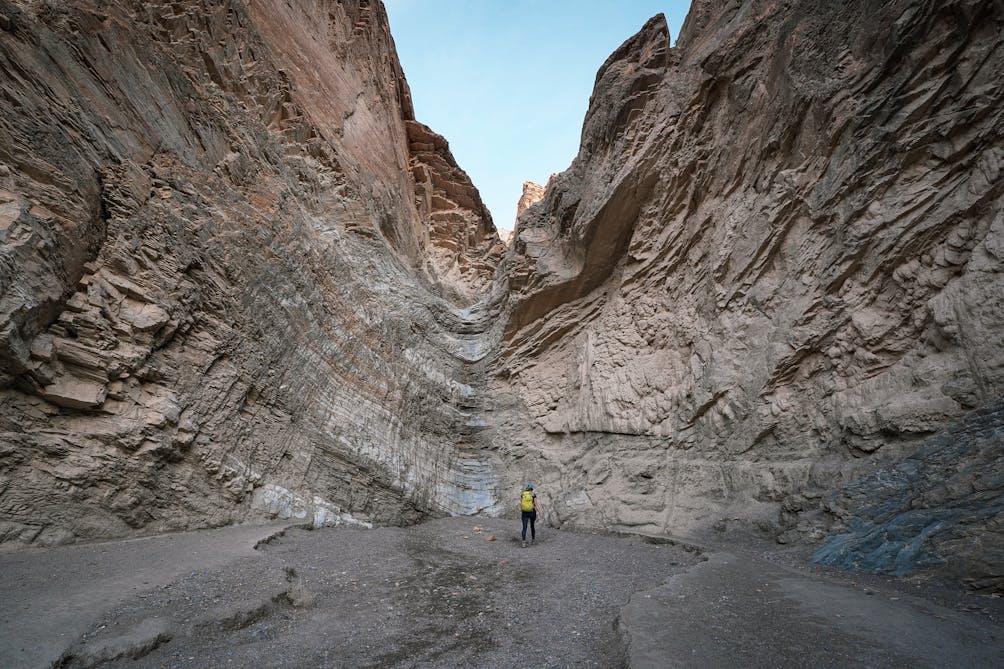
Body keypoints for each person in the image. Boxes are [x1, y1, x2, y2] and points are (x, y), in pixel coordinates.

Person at [519, 483, 542, 547]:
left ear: (526, 488)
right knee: (532, 526)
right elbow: (536, 505)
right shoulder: (533, 494)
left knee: (524, 527)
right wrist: (540, 512)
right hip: (532, 512)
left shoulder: (523, 494)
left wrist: (523, 511)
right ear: (532, 489)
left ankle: (523, 542)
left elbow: (521, 504)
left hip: (524, 512)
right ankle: (533, 540)